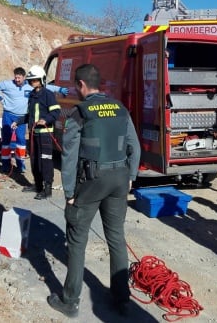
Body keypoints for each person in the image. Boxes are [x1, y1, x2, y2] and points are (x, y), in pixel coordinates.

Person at [47, 64, 141, 318]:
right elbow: (135, 146)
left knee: (77, 241)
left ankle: (70, 301)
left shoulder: (80, 112)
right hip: (120, 179)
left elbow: (69, 155)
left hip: (91, 182)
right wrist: (131, 176)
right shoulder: (120, 109)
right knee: (116, 238)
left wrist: (69, 192)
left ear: (81, 85)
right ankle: (122, 300)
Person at [0, 66, 68, 174]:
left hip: (22, 117)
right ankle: (5, 165)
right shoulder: (7, 84)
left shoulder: (30, 85)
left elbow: (46, 87)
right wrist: (2, 101)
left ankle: (20, 164)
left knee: (21, 141)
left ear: (24, 77)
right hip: (8, 115)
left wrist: (59, 89)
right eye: (15, 78)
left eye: (19, 78)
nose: (17, 80)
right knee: (6, 141)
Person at [12, 65, 61, 200]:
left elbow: (56, 112)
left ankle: (47, 189)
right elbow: (30, 115)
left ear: (41, 79)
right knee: (34, 161)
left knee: (45, 161)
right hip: (33, 133)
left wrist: (45, 119)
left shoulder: (48, 94)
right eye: (31, 80)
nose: (32, 82)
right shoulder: (32, 95)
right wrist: (19, 121)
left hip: (45, 133)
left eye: (35, 80)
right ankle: (38, 185)